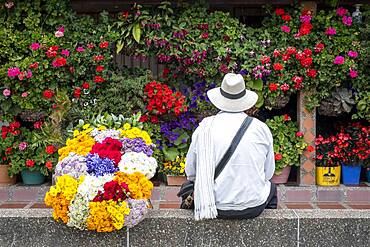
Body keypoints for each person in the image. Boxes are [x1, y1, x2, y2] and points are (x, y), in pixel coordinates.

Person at [185, 73, 277, 221]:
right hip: (253, 207)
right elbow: (268, 173)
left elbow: (191, 173)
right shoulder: (261, 128)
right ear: (244, 99)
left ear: (220, 99)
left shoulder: (204, 128)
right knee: (271, 188)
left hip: (212, 206)